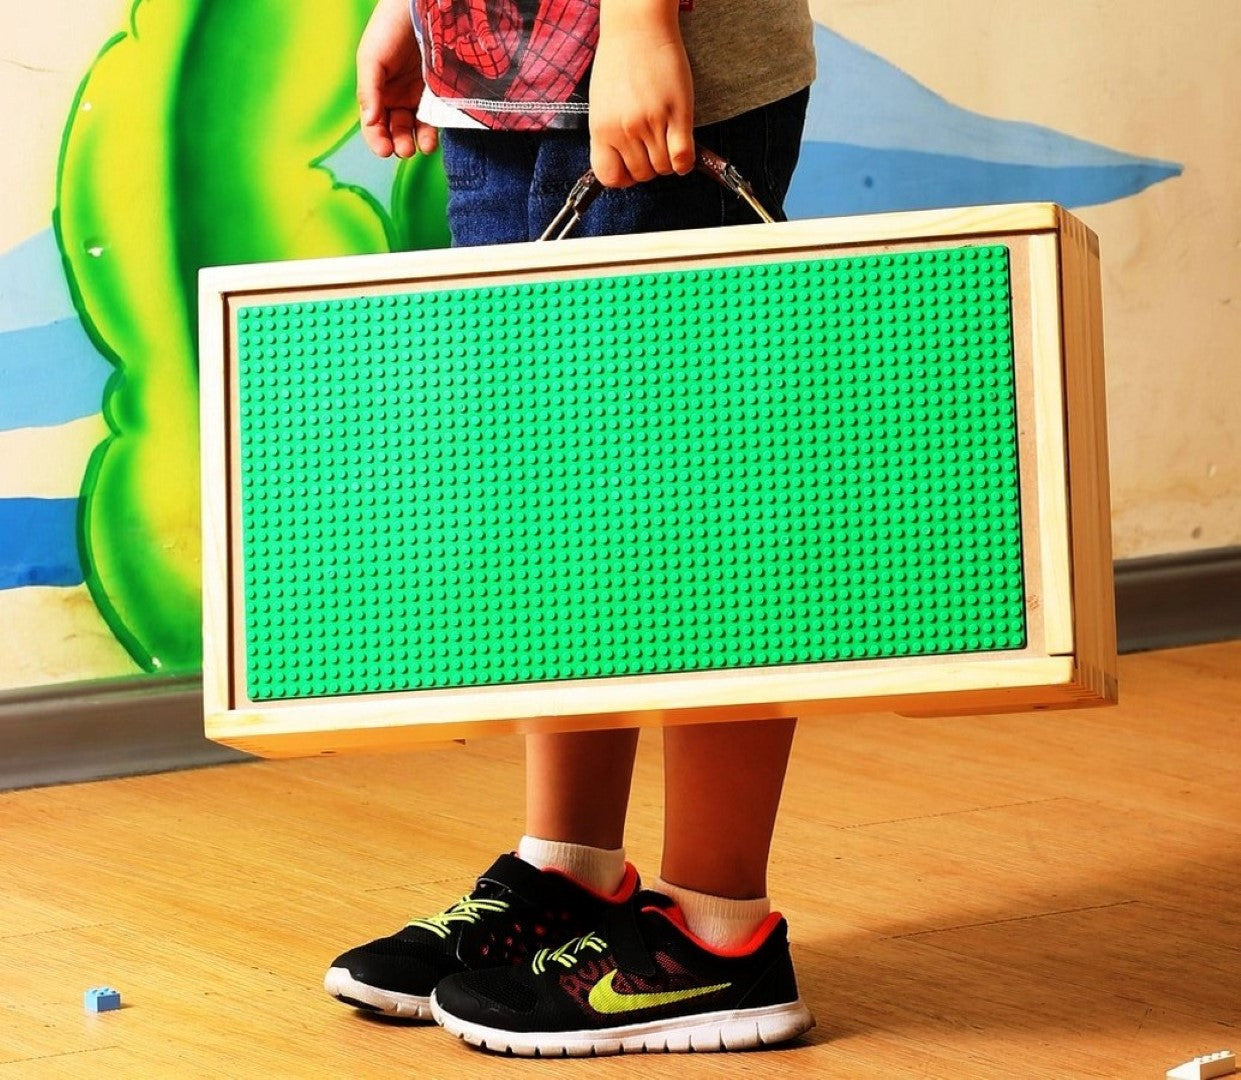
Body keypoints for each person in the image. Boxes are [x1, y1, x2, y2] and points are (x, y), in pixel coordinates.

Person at [324, 0, 817, 1056]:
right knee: (558, 495)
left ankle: (717, 932)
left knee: (690, 501)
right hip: (490, 86)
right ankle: (568, 873)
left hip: (665, 58)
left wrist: (639, 20)